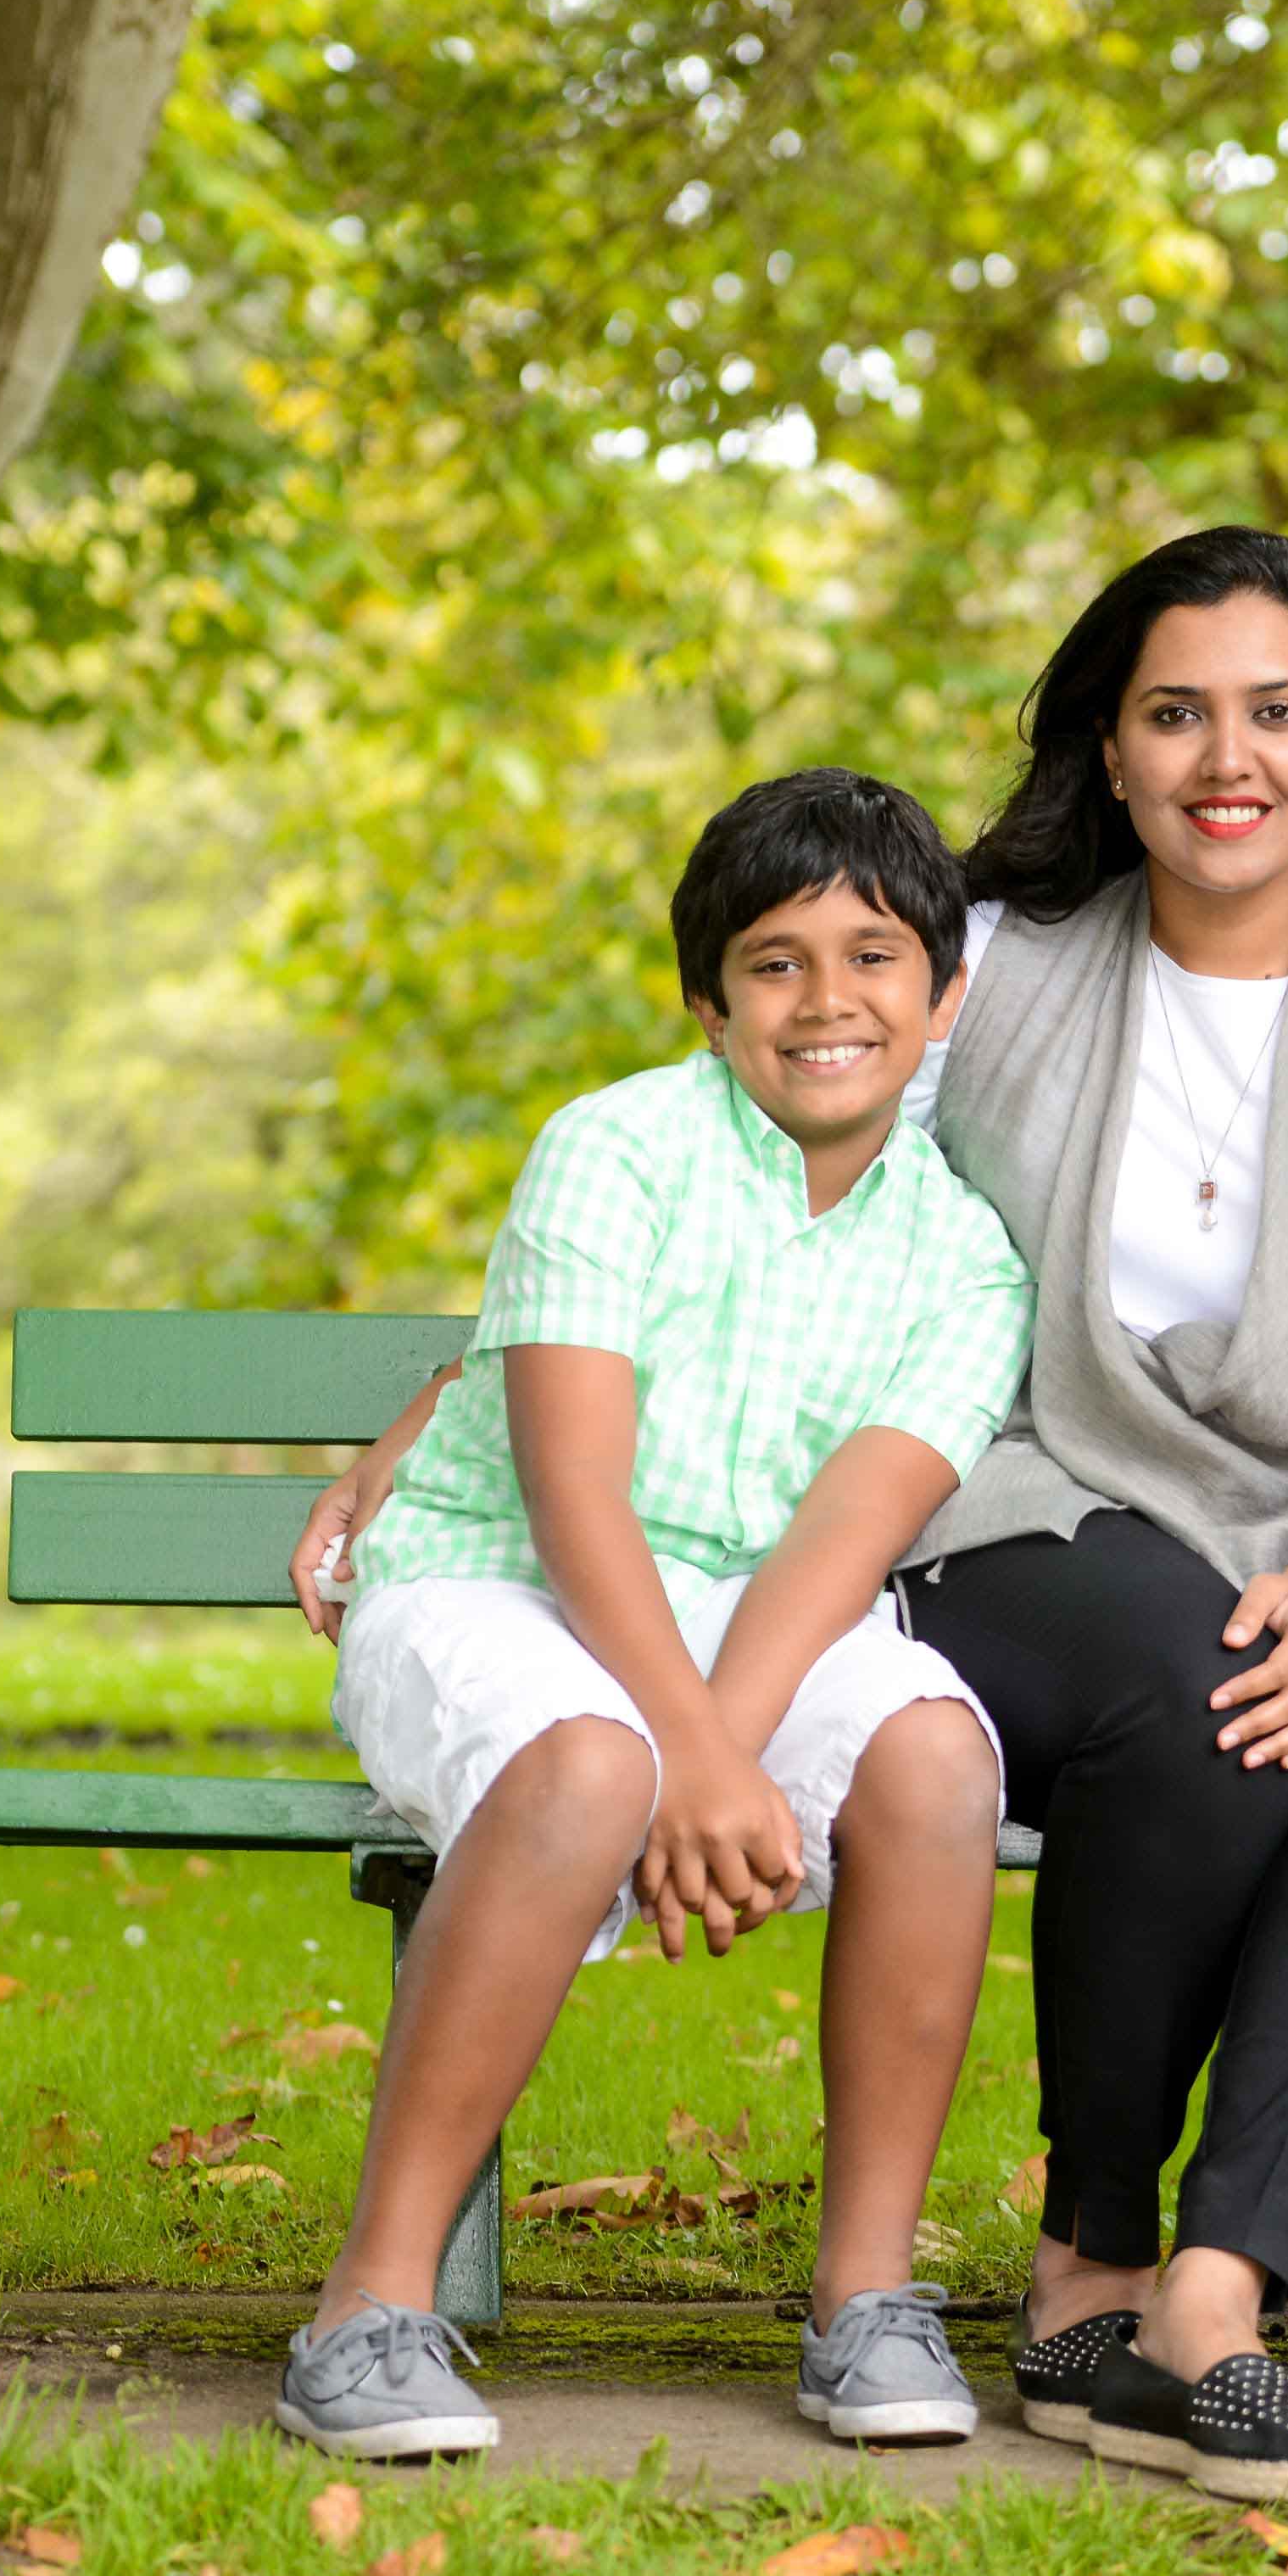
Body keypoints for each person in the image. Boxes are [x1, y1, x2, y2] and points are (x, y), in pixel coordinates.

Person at [303, 528, 1288, 2506]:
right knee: (1189, 1670)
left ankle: (1212, 2303)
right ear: (1113, 745)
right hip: (1038, 1496)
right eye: (1173, 713)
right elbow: (755, 1113)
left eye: (1272, 712)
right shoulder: (990, 951)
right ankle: (1088, 2263)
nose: (1222, 754)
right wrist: (442, 1404)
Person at [274, 767, 1034, 2464]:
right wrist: (684, 1751)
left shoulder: (967, 1255)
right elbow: (571, 1493)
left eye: (874, 955)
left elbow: (851, 1530)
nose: (827, 1000)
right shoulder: (616, 1145)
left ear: (945, 994)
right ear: (707, 999)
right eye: (774, 961)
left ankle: (867, 2298)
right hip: (498, 1571)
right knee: (588, 1763)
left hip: (753, 1606)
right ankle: (369, 2309)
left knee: (930, 1754)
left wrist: (729, 1738)